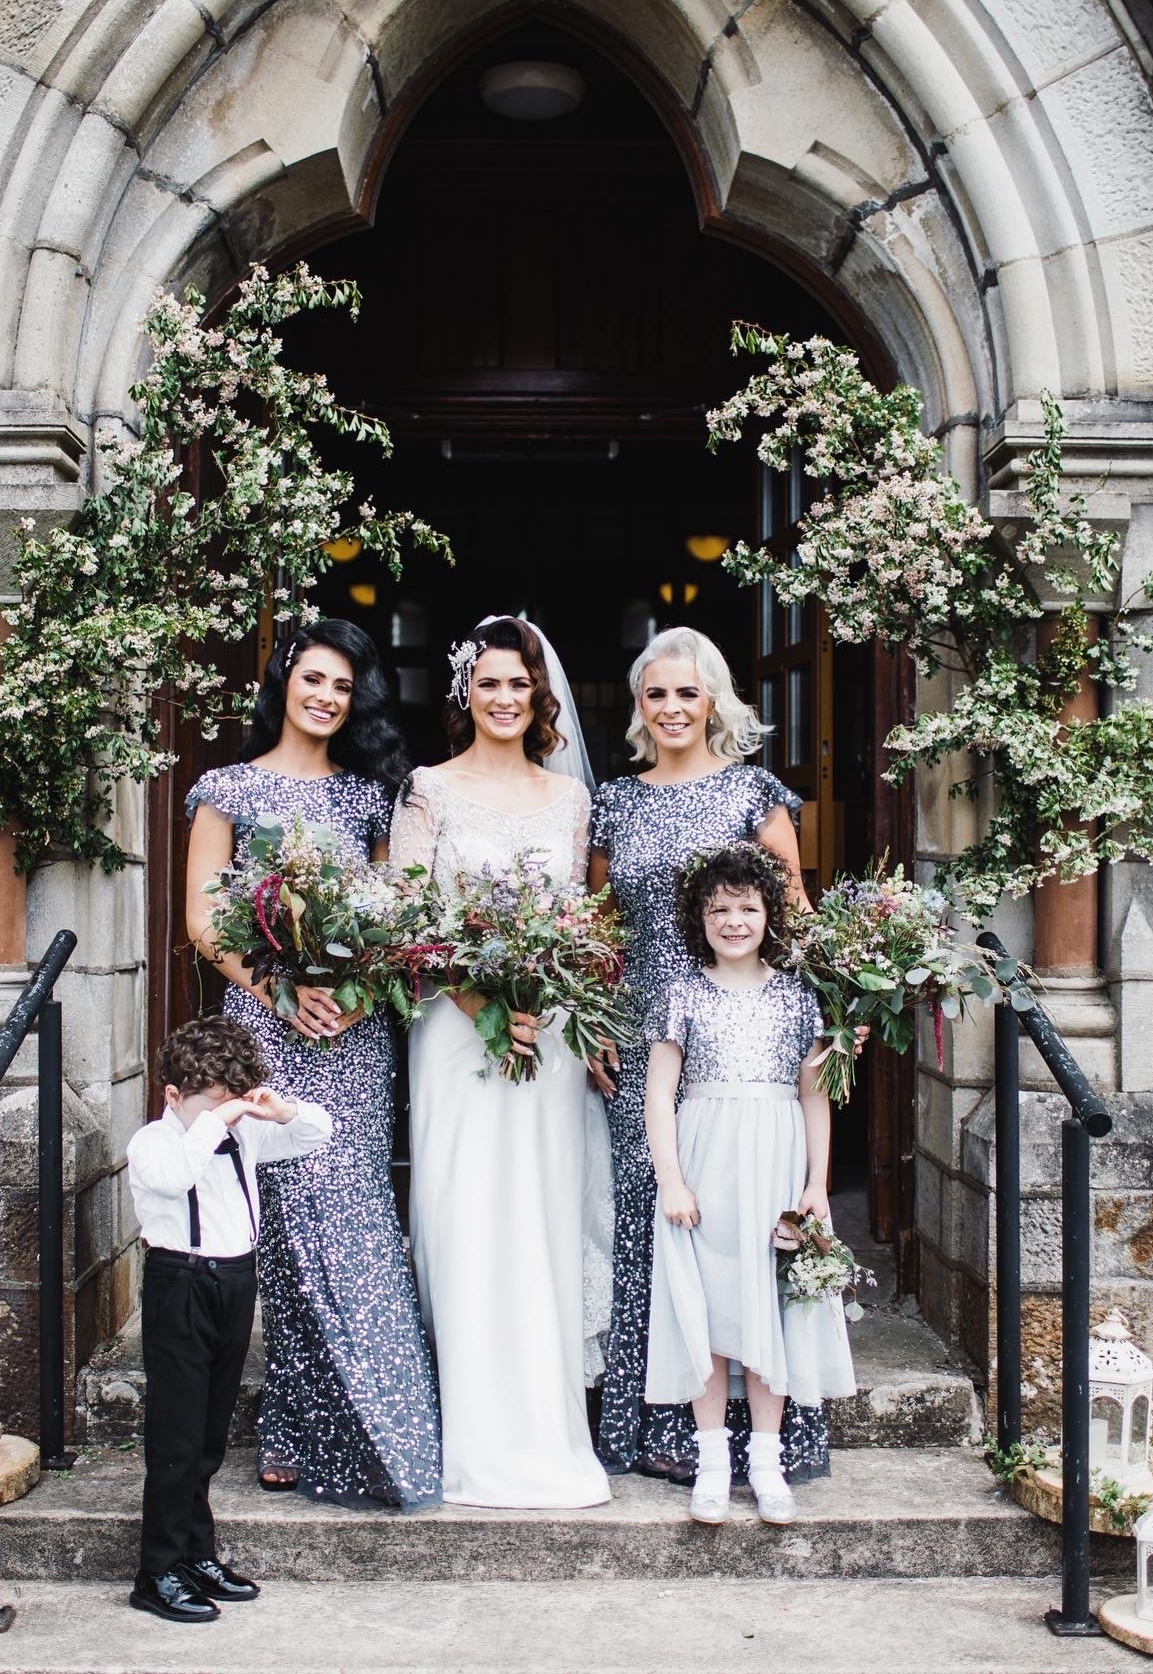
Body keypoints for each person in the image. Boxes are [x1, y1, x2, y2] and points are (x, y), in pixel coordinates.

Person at [184, 619, 441, 1509]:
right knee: (286, 1230)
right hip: (266, 1030)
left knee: (356, 1213)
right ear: (284, 680)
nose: (328, 698)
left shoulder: (373, 796)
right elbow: (205, 921)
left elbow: (394, 912)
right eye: (314, 679)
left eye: (344, 687)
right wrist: (279, 993)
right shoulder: (225, 788)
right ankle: (293, 1420)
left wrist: (360, 991)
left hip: (354, 1034)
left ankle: (382, 1420)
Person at [588, 625, 825, 1485]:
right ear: (640, 708)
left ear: (714, 701)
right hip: (642, 1032)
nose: (672, 708)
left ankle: (763, 1438)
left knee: (744, 1223)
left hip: (744, 1038)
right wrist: (591, 1028)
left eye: (688, 693)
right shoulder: (614, 802)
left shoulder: (753, 792)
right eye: (657, 694)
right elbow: (597, 929)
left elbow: (793, 911)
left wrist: (821, 1030)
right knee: (656, 1215)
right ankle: (658, 1429)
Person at [390, 614, 613, 1509]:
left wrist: (558, 1017)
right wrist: (487, 1006)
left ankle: (546, 1427)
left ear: (539, 696)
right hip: (456, 1032)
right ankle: (472, 1431)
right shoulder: (427, 790)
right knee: (465, 1210)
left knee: (542, 1214)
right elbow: (405, 922)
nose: (505, 698)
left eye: (519, 684)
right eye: (488, 683)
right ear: (464, 694)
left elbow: (586, 929)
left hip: (548, 1038)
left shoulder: (569, 802)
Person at [644, 843, 856, 1525]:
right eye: (718, 910)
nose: (733, 921)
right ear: (698, 919)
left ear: (769, 914)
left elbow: (815, 1096)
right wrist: (671, 1178)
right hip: (706, 1154)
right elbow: (659, 1094)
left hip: (775, 1153)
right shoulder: (681, 993)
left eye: (747, 907)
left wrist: (817, 1184)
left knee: (774, 1301)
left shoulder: (798, 996)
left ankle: (766, 1460)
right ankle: (711, 1459)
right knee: (703, 1304)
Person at [127, 1015, 333, 1622]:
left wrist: (275, 1111)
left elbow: (320, 1132)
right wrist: (214, 1121)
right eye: (211, 1105)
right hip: (180, 1284)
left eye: (231, 1104)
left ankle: (196, 1554)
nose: (227, 1118)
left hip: (237, 1281)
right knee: (177, 1437)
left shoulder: (245, 1136)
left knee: (211, 1434)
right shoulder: (154, 1143)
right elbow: (176, 1177)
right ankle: (156, 1571)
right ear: (173, 1096)